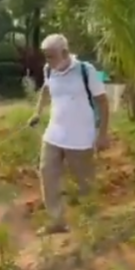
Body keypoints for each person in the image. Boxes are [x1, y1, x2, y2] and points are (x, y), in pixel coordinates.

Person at [29, 34, 110, 234]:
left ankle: (90, 224)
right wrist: (37, 112)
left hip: (80, 138)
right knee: (47, 174)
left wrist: (102, 134)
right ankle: (56, 221)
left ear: (65, 53)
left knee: (85, 182)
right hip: (54, 134)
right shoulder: (49, 70)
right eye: (46, 56)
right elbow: (45, 90)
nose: (48, 60)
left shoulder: (86, 71)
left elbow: (102, 102)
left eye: (51, 56)